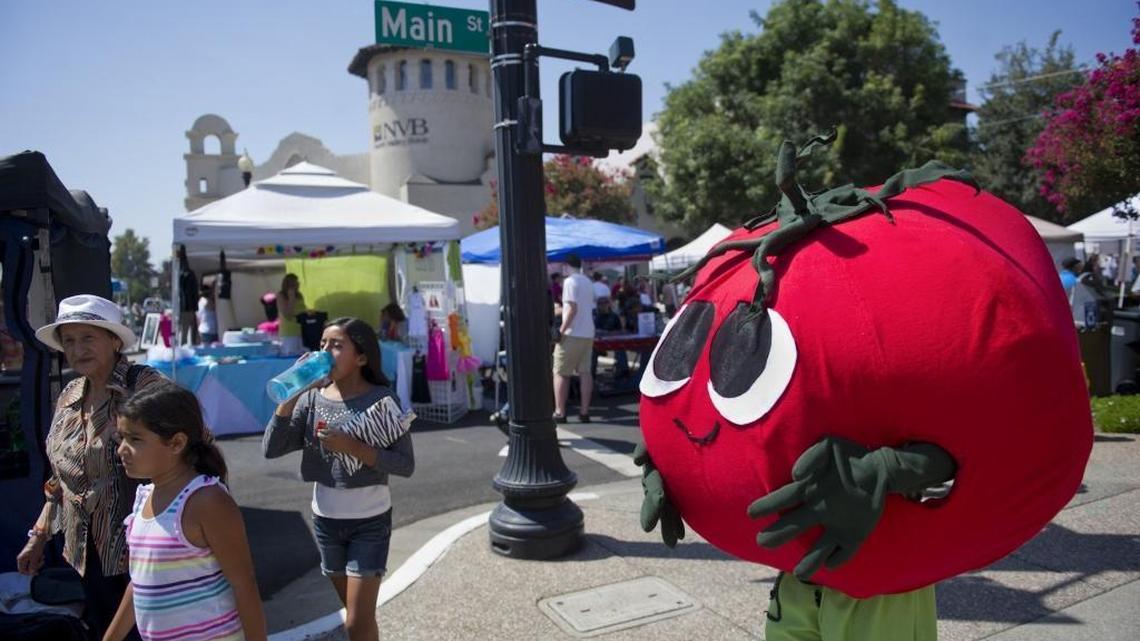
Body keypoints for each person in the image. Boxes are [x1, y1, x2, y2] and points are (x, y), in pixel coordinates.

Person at [18, 294, 165, 641]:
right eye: (69, 340)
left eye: (88, 337)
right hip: (87, 554)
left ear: (114, 340)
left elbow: (192, 444)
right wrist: (38, 537)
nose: (77, 348)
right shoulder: (70, 394)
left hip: (142, 553)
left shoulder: (143, 385)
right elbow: (60, 480)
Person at [263, 317, 415, 641]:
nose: (325, 352)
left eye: (336, 345)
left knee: (356, 622)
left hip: (370, 522)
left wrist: (354, 448)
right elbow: (271, 449)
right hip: (326, 522)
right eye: (322, 344)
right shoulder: (312, 399)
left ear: (361, 357)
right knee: (357, 617)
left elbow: (405, 464)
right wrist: (292, 392)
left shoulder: (382, 399)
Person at [102, 383, 266, 641]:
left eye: (135, 439)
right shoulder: (143, 498)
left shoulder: (207, 501)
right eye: (120, 438)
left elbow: (244, 584)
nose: (121, 449)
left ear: (177, 443)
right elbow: (140, 583)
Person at [553, 254, 596, 423]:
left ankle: (560, 412)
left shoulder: (570, 281)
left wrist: (561, 331)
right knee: (585, 373)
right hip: (587, 333)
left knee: (561, 373)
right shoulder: (587, 281)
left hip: (572, 333)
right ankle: (584, 412)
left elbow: (572, 309)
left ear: (567, 265)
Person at [592, 296, 628, 379]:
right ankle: (591, 373)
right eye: (600, 304)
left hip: (612, 341)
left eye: (605, 303)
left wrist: (611, 333)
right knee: (592, 351)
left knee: (621, 349)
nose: (602, 305)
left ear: (608, 304)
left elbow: (619, 331)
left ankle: (623, 371)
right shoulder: (594, 316)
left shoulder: (614, 316)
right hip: (597, 343)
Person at [278, 273, 307, 356]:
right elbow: (288, 315)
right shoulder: (281, 295)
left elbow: (302, 309)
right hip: (289, 332)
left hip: (302, 330)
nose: (298, 284)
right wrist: (291, 297)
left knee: (302, 355)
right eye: (296, 282)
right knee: (291, 355)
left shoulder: (299, 295)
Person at [177, 246, 200, 346]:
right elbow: (195, 291)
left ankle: (185, 345)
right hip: (189, 306)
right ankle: (192, 345)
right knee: (191, 329)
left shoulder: (179, 274)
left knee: (185, 330)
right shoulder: (190, 274)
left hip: (184, 307)